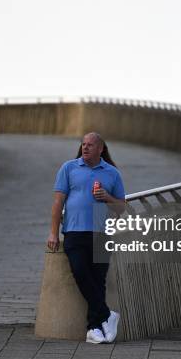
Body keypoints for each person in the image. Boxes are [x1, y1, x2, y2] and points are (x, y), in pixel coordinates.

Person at [47, 132, 125, 344]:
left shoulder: (112, 173)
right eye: (83, 144)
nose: (85, 147)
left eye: (90, 145)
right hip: (73, 231)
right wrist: (53, 232)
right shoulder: (69, 168)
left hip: (102, 232)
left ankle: (93, 329)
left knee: (97, 281)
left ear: (101, 148)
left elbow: (121, 208)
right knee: (80, 272)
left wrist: (107, 198)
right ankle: (108, 315)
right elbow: (57, 203)